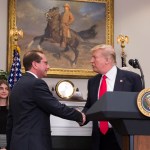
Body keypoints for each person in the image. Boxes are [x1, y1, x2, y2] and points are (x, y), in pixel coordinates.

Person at [6, 49, 85, 150]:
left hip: (17, 144)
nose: (48, 67)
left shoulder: (17, 85)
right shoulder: (36, 84)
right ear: (35, 64)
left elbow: (10, 121)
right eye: (45, 63)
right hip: (33, 145)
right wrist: (79, 116)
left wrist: (9, 145)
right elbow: (55, 107)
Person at [82, 44, 143, 150]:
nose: (91, 61)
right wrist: (81, 116)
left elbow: (139, 108)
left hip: (122, 137)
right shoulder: (92, 81)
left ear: (107, 60)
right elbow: (90, 107)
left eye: (94, 57)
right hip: (99, 139)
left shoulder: (132, 79)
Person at [0, 80, 10, 150]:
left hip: (9, 143)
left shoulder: (13, 108)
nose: (4, 91)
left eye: (6, 89)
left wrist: (3, 146)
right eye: (1, 88)